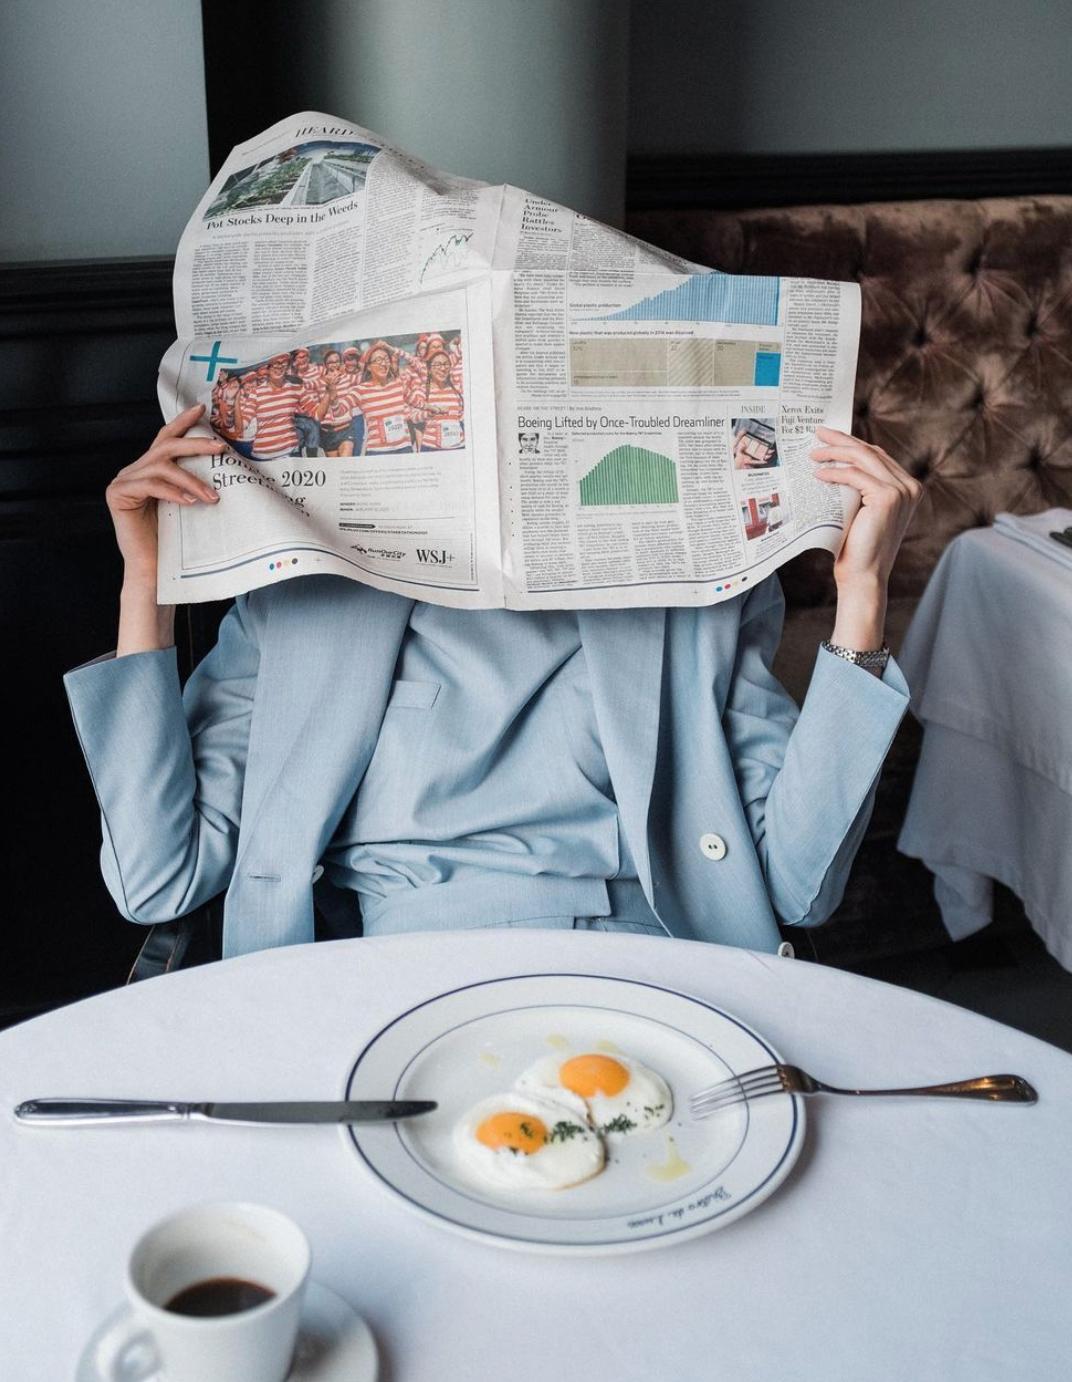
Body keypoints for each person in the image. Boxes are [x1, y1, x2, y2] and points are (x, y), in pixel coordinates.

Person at [64, 405, 920, 959]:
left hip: (648, 961)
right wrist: (148, 584)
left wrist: (863, 592)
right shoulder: (297, 601)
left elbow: (800, 884)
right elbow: (159, 877)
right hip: (390, 980)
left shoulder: (690, 592)